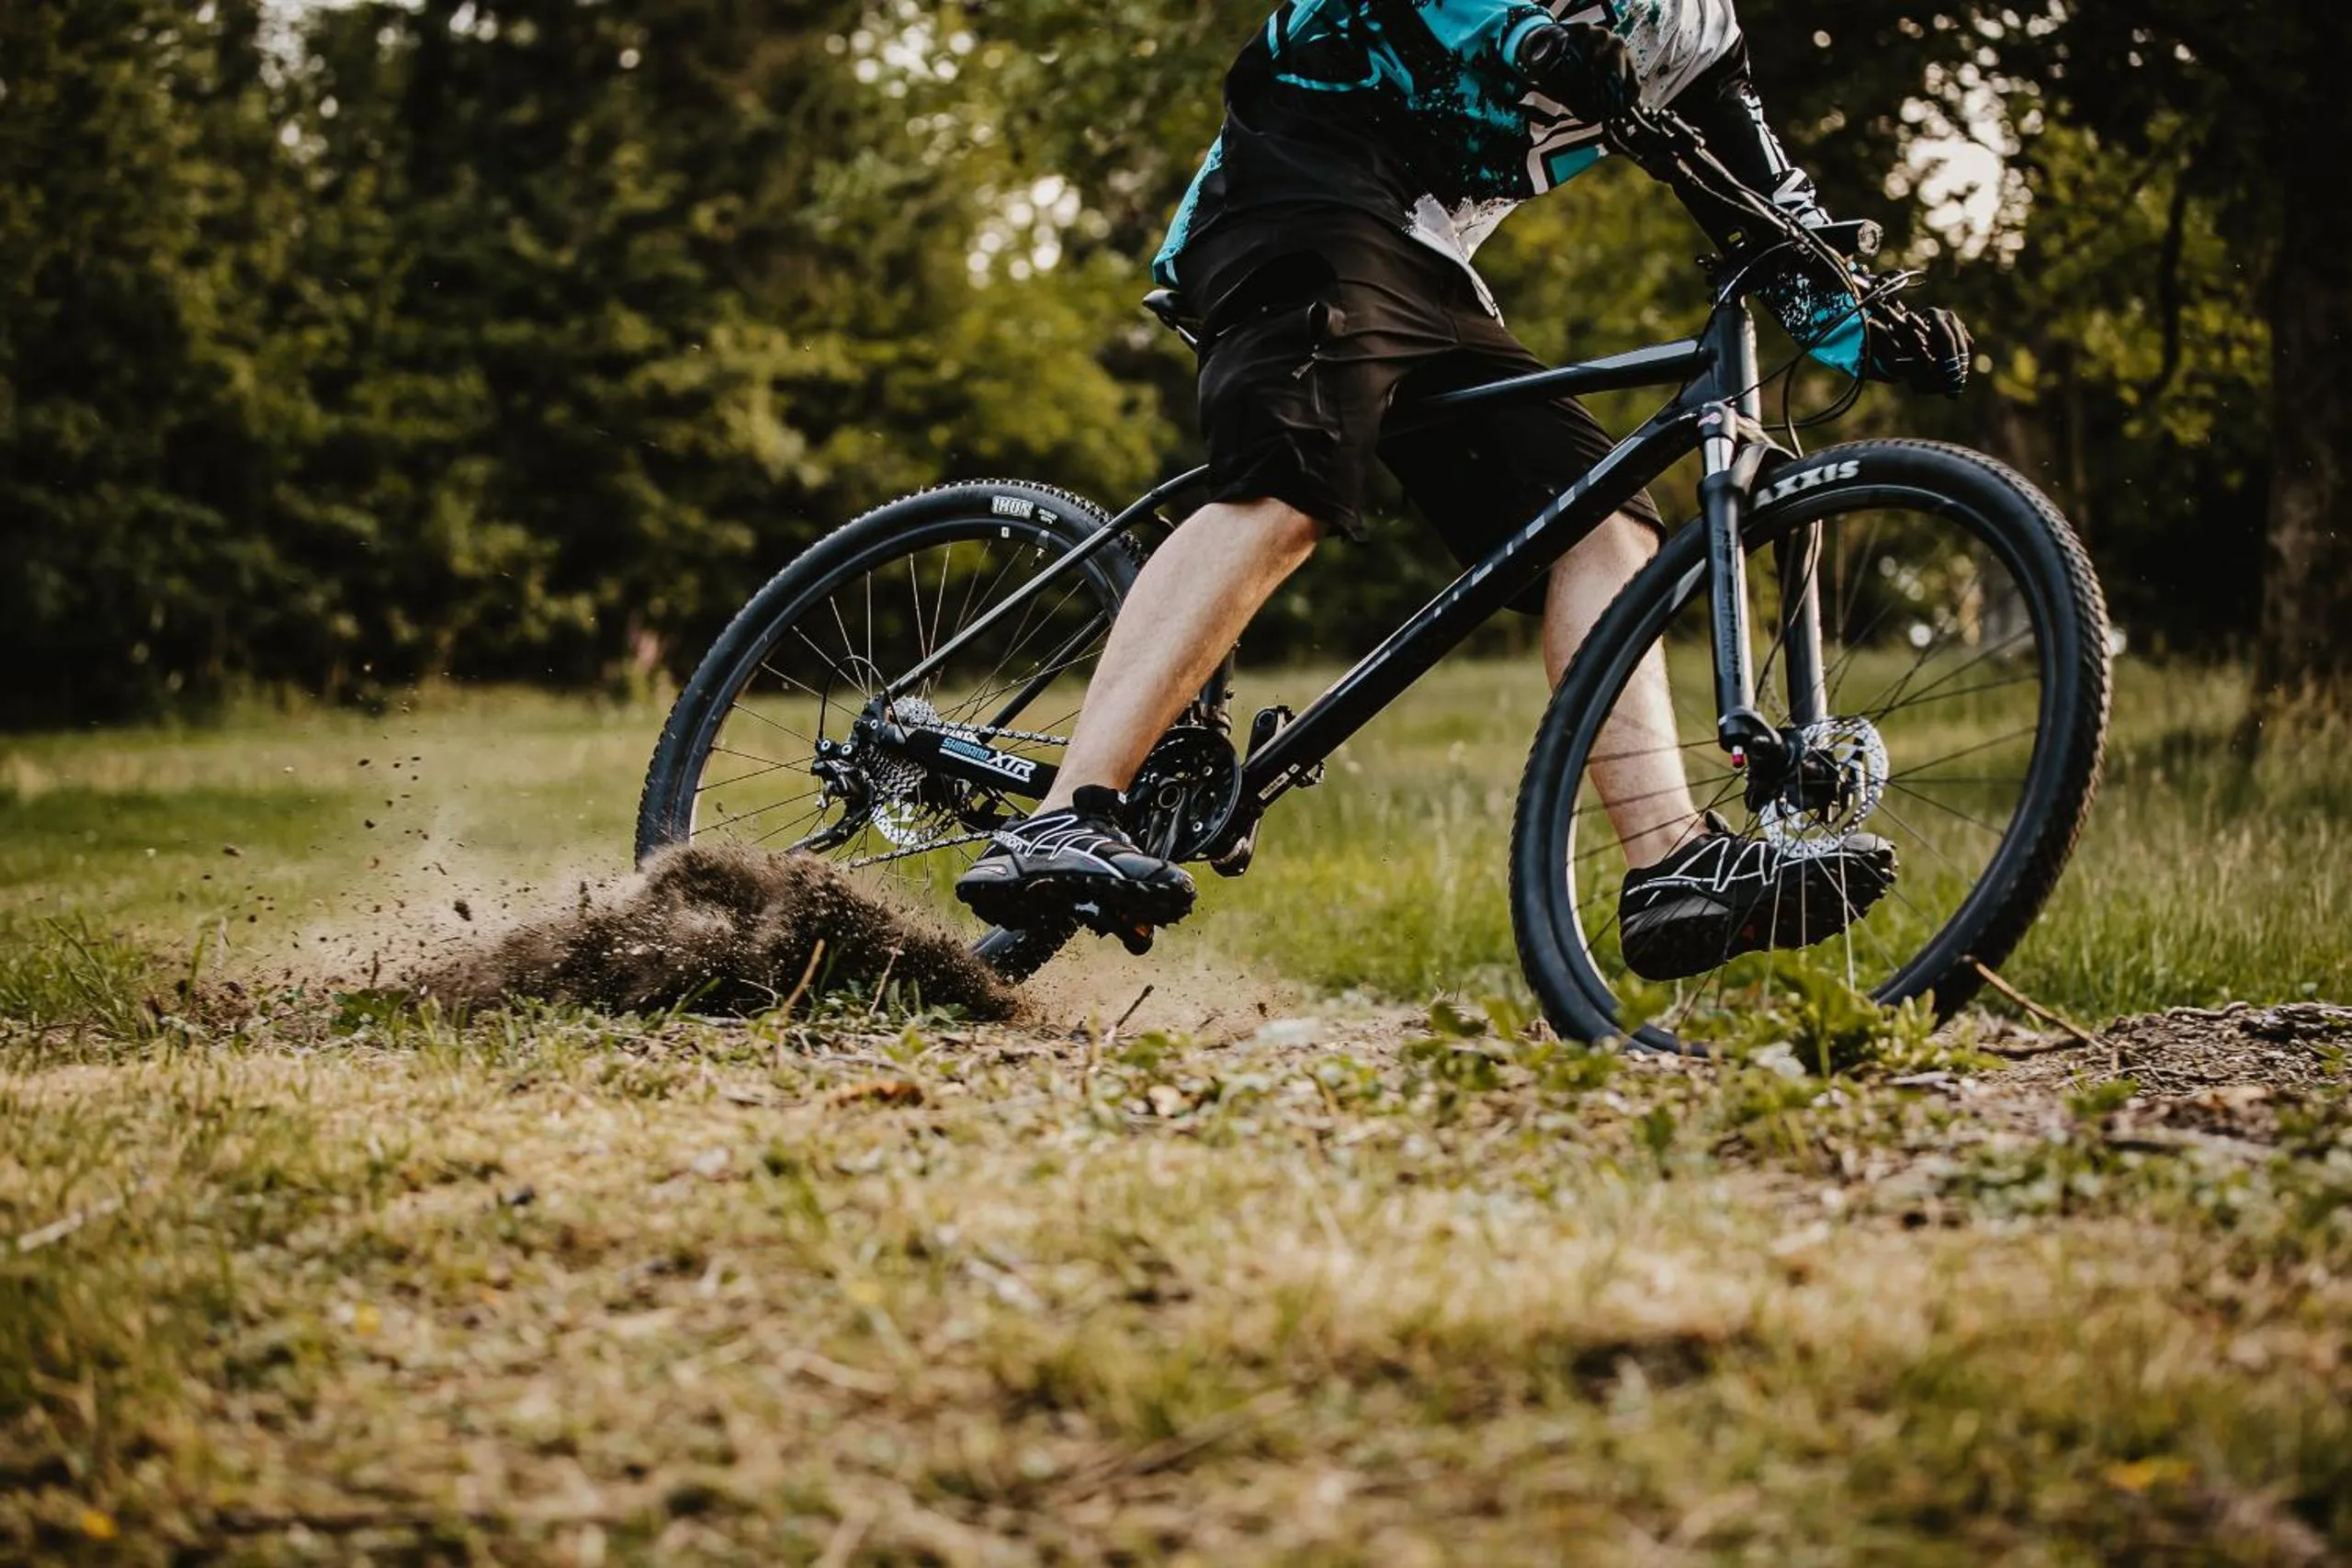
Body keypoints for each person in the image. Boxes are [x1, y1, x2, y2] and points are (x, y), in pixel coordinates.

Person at [956, 0, 1973, 979]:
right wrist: (1526, 33)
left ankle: (1672, 865)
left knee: (1601, 518)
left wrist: (1862, 322)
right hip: (1293, 189)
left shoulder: (1700, 38)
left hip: (1431, 259)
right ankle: (1064, 815)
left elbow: (1767, 211)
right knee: (1292, 483)